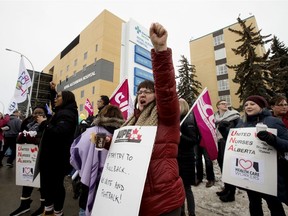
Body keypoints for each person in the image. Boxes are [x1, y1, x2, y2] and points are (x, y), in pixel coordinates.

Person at [121, 23, 185, 216]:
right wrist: (109, 143)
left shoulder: (165, 115)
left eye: (148, 91)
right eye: (139, 91)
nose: (142, 94)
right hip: (137, 199)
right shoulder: (132, 120)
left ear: (155, 96)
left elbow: (166, 89)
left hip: (164, 201)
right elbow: (126, 149)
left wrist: (160, 51)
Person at [237, 95, 288, 216]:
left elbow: (287, 144)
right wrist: (225, 132)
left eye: (252, 104)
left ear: (261, 106)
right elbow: (235, 143)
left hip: (269, 173)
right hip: (250, 171)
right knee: (254, 202)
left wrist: (273, 139)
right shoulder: (241, 123)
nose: (248, 106)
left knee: (273, 203)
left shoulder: (273, 121)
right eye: (246, 105)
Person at [70, 104, 124, 216]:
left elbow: (75, 153)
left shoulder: (90, 132)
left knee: (85, 210)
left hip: (89, 180)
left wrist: (83, 169)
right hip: (114, 186)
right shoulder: (123, 135)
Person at [39, 85, 78, 216]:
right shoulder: (62, 111)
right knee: (48, 184)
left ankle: (57, 212)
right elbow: (54, 105)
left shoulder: (67, 114)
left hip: (57, 158)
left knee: (55, 185)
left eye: (59, 96)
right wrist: (52, 91)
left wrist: (45, 123)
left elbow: (60, 132)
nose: (56, 99)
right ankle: (49, 210)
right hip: (52, 157)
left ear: (66, 99)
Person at [10, 106, 50, 216]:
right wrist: (23, 137)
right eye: (35, 112)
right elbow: (20, 134)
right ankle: (24, 204)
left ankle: (43, 206)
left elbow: (47, 137)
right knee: (27, 180)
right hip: (27, 157)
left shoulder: (48, 123)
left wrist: (34, 138)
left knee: (41, 182)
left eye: (40, 112)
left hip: (42, 157)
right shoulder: (27, 122)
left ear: (44, 114)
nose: (37, 114)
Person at [214, 99, 240, 202]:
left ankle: (231, 193)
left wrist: (226, 130)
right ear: (218, 106)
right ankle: (227, 188)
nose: (225, 105)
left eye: (226, 103)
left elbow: (238, 130)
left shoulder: (234, 116)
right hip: (218, 143)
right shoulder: (214, 118)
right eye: (222, 103)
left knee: (229, 167)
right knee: (222, 166)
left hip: (229, 144)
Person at [178, 98, 198, 216]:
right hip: (177, 158)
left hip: (186, 159)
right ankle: (181, 212)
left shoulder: (188, 120)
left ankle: (192, 213)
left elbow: (192, 141)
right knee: (179, 189)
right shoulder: (177, 120)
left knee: (186, 188)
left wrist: (180, 135)